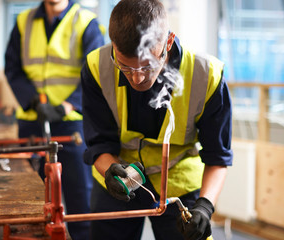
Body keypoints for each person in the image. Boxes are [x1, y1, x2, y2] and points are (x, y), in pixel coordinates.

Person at [81, 0, 233, 239]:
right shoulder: (96, 66)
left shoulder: (207, 76)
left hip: (179, 185)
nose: (138, 78)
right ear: (114, 46)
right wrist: (109, 170)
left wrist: (205, 205)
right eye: (125, 67)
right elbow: (98, 142)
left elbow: (218, 155)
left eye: (148, 66)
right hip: (120, 180)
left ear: (169, 41)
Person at [4, 0, 104, 239]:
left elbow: (96, 70)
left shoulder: (86, 22)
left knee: (80, 204)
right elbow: (12, 68)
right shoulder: (23, 21)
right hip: (32, 121)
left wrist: (67, 105)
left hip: (72, 124)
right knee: (30, 205)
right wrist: (32, 101)